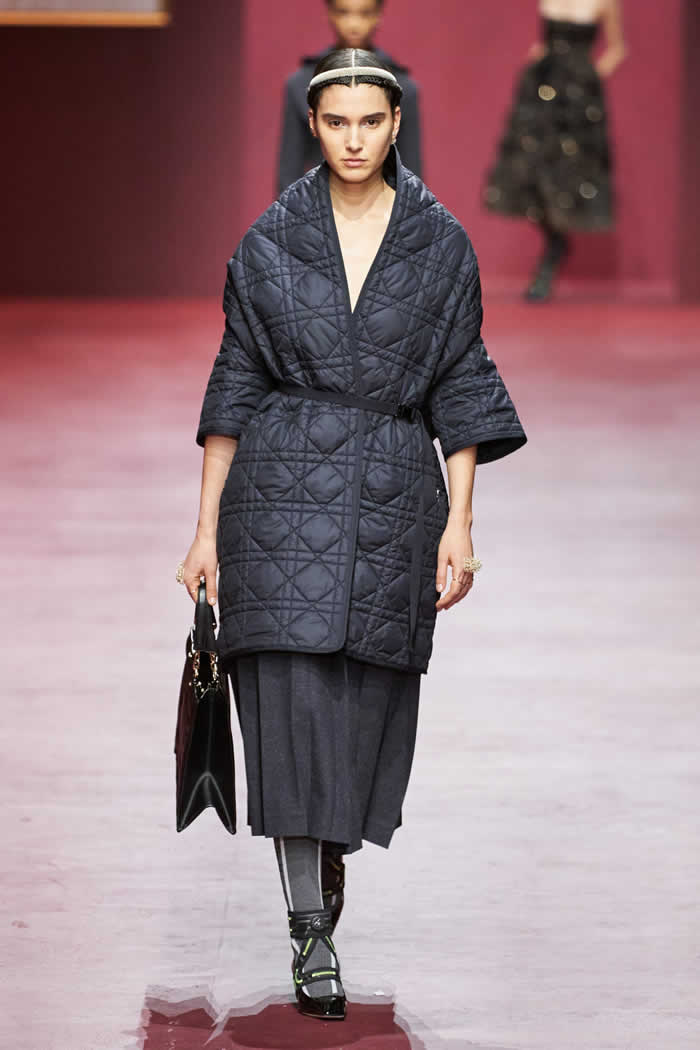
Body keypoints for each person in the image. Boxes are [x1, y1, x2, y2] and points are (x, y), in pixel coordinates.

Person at [180, 48, 526, 1022]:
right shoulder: (270, 240)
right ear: (314, 124)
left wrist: (460, 521)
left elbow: (462, 381)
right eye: (337, 123)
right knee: (287, 710)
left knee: (364, 710)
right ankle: (308, 930)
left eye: (370, 121)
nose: (354, 139)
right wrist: (203, 531)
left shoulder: (439, 243)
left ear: (395, 122)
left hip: (391, 493)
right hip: (278, 493)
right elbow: (234, 386)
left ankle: (326, 857)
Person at [483, 0, 627, 301]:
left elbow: (617, 49)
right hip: (542, 91)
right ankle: (555, 241)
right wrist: (538, 57)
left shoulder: (605, 3)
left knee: (569, 173)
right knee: (528, 170)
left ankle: (550, 259)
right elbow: (546, 43)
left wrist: (591, 77)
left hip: (579, 100)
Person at [277, 0, 422, 193]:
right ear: (330, 13)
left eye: (371, 122)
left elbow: (411, 173)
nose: (354, 24)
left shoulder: (403, 88)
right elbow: (288, 171)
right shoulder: (301, 84)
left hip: (382, 205)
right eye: (336, 123)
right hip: (319, 203)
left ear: (378, 15)